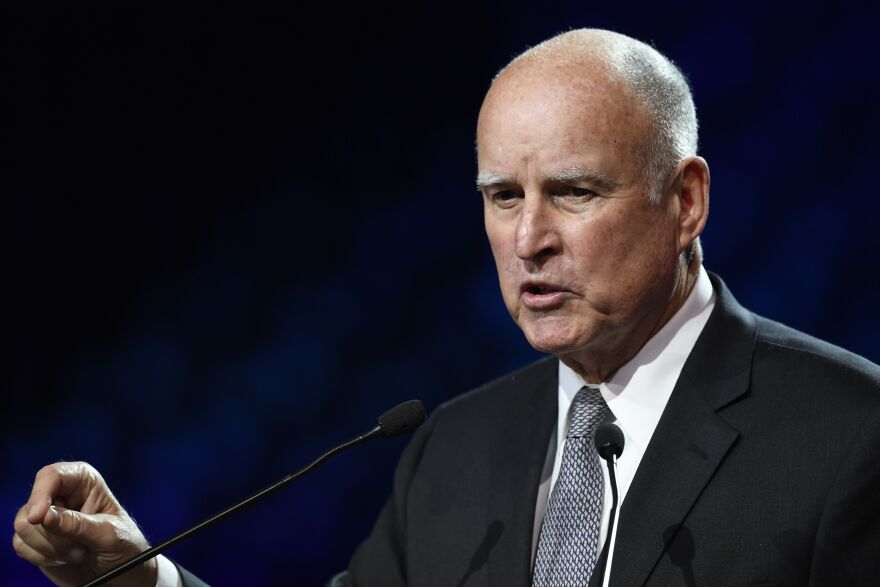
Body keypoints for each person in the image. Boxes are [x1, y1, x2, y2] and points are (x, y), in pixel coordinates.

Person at [14, 28, 880, 587]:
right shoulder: (451, 448)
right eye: (503, 196)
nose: (529, 239)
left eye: (573, 192)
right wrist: (144, 577)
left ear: (685, 201)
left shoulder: (849, 436)